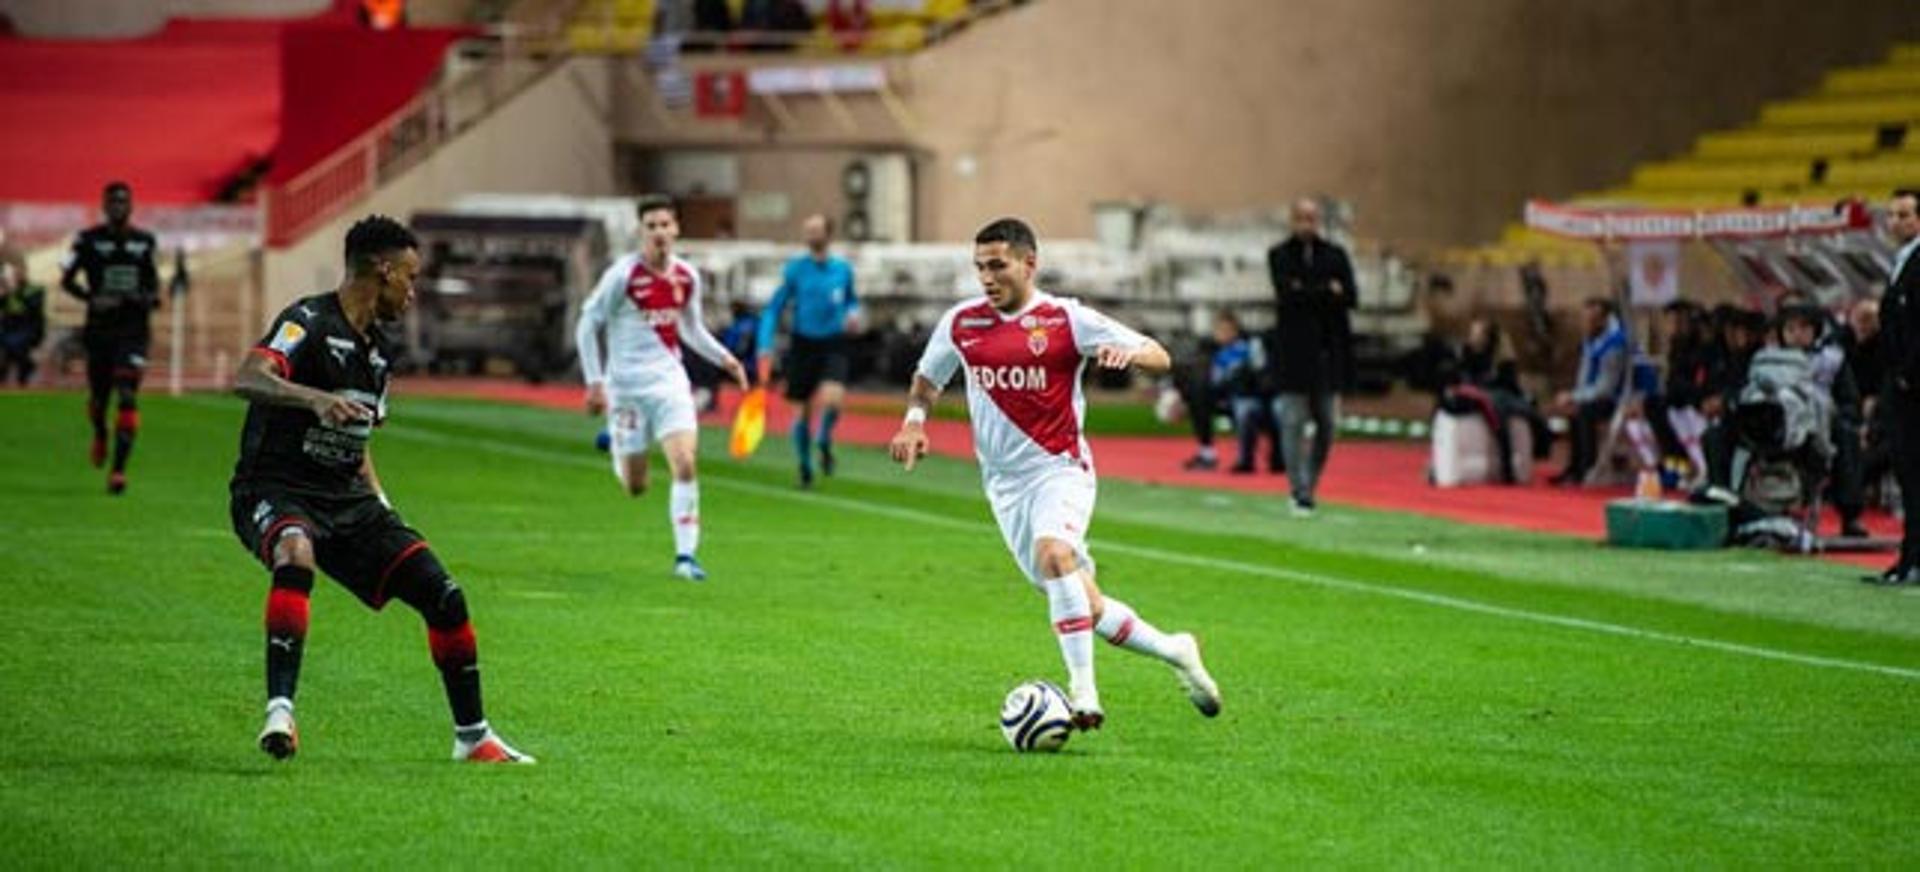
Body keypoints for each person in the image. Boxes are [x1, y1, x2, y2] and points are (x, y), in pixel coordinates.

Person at [888, 217, 1222, 732]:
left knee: (1055, 554)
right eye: (979, 267)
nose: (987, 277)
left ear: (1028, 263)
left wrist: (1130, 354)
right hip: (1003, 485)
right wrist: (914, 422)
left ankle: (1083, 693)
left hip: (1059, 467)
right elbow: (928, 378)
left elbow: (1160, 356)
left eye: (997, 265)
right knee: (1082, 602)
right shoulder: (961, 323)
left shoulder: (1066, 319)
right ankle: (1175, 649)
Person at [228, 215, 532, 763]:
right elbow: (247, 378)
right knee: (294, 552)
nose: (413, 292)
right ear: (383, 270)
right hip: (275, 487)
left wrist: (383, 506)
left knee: (444, 595)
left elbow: (358, 438)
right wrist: (313, 397)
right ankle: (280, 711)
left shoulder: (375, 354)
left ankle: (473, 737)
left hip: (347, 500)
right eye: (410, 279)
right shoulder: (307, 321)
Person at [575, 195, 749, 582]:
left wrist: (727, 360)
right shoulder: (622, 276)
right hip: (626, 389)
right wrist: (595, 382)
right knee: (636, 486)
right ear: (641, 232)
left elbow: (691, 329)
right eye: (650, 226)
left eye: (664, 225)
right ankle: (619, 445)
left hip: (670, 383)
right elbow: (588, 324)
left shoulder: (687, 276)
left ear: (676, 229)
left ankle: (686, 557)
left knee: (685, 462)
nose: (658, 233)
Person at [60, 181, 164, 495]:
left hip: (133, 332)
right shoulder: (87, 240)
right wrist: (91, 298)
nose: (118, 207)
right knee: (99, 398)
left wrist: (148, 298)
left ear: (131, 207)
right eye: (113, 202)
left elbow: (153, 284)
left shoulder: (145, 242)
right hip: (100, 330)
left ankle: (118, 471)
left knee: (128, 394)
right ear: (105, 207)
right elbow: (67, 280)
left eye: (124, 202)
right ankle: (101, 434)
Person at [756, 213, 861, 488]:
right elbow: (774, 308)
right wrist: (764, 344)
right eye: (807, 231)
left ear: (828, 234)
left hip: (833, 341)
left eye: (816, 230)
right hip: (803, 342)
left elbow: (851, 300)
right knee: (801, 411)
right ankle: (804, 466)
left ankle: (824, 438)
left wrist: (853, 314)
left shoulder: (843, 269)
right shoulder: (795, 270)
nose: (811, 235)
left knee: (833, 400)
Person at [1267, 198, 1357, 515]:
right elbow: (1287, 296)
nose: (1307, 224)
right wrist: (1324, 291)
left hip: (1327, 355)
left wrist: (1307, 290)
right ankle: (1298, 489)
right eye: (1301, 218)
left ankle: (1309, 482)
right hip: (1293, 356)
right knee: (1292, 423)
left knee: (1328, 423)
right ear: (1292, 220)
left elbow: (1349, 296)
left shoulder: (1335, 255)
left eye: (1312, 218)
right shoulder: (1279, 255)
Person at [1870, 188, 1920, 584]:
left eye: (1904, 214)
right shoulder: (1902, 262)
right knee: (1907, 472)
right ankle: (1910, 557)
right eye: (1891, 214)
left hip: (1912, 386)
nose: (1895, 222)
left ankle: (1914, 559)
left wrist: (1907, 372)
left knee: (1915, 471)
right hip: (1898, 384)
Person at [1549, 297, 1628, 485]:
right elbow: (1583, 378)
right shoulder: (1590, 342)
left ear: (1603, 320)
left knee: (1585, 412)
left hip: (1615, 398)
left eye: (1591, 319)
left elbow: (1606, 387)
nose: (1585, 324)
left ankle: (1588, 466)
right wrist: (1573, 397)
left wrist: (1576, 397)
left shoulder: (1614, 344)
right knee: (1574, 409)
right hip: (1593, 395)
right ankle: (1574, 467)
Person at [0, 254, 44, 386]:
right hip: (9, 329)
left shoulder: (34, 290)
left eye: (17, 272)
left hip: (27, 329)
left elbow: (34, 310)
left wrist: (14, 292)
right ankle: (10, 379)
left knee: (16, 353)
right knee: (8, 356)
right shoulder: (7, 292)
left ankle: (24, 376)